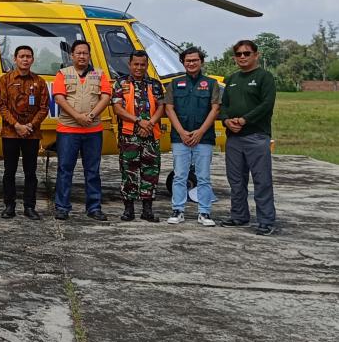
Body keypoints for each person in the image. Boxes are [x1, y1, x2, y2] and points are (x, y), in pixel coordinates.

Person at [219, 40, 277, 235]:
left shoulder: (264, 77)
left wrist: (244, 120)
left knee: (262, 180)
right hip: (234, 138)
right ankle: (239, 215)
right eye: (238, 54)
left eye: (246, 53)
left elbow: (267, 104)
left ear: (256, 55)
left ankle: (266, 220)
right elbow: (223, 105)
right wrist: (226, 121)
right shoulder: (232, 78)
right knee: (235, 181)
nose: (242, 57)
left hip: (256, 136)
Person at [52, 40, 112, 221]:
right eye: (78, 53)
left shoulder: (99, 74)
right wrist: (77, 116)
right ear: (72, 55)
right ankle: (62, 207)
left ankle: (94, 207)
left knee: (92, 170)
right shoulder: (63, 74)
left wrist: (91, 116)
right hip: (68, 129)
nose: (82, 56)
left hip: (93, 130)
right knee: (64, 169)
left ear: (89, 55)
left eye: (85, 53)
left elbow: (106, 97)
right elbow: (59, 98)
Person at [164, 46, 221, 227]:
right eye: (188, 61)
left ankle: (204, 212)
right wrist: (181, 131)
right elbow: (169, 108)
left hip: (203, 138)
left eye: (195, 60)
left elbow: (215, 109)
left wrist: (200, 131)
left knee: (203, 177)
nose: (191, 63)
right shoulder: (174, 83)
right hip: (180, 137)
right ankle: (178, 210)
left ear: (201, 62)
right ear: (183, 62)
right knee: (180, 176)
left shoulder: (211, 84)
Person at [0, 45, 49, 220]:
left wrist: (30, 126)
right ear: (15, 58)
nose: (25, 59)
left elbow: (44, 107)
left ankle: (29, 206)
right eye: (22, 56)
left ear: (33, 59)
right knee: (9, 172)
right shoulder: (5, 80)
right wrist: (16, 125)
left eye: (28, 56)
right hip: (10, 133)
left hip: (31, 134)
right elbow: (1, 106)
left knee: (30, 173)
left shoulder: (39, 82)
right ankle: (9, 206)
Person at [111, 50, 165, 222]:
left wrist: (148, 124)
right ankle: (129, 210)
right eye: (136, 64)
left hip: (150, 136)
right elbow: (117, 109)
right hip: (129, 137)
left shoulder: (155, 84)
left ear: (147, 65)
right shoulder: (121, 83)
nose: (139, 68)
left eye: (143, 64)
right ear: (130, 64)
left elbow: (161, 107)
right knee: (129, 173)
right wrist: (138, 121)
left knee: (150, 173)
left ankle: (147, 210)